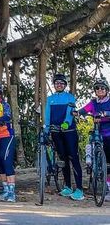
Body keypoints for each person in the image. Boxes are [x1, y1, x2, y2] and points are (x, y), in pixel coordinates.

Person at [44, 73, 83, 201]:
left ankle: (79, 189)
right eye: (56, 83)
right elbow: (47, 114)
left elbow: (70, 112)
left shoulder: (70, 97)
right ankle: (67, 186)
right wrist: (47, 127)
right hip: (56, 132)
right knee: (63, 159)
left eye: (61, 83)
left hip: (69, 131)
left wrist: (66, 122)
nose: (59, 85)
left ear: (65, 85)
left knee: (73, 157)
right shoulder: (50, 99)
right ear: (54, 85)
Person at [75, 77, 110, 202]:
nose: (99, 90)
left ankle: (108, 188)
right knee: (91, 141)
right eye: (97, 88)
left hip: (108, 133)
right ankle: (90, 162)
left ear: (107, 90)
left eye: (102, 88)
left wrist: (105, 114)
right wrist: (76, 113)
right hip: (98, 132)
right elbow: (84, 109)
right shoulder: (93, 102)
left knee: (109, 163)